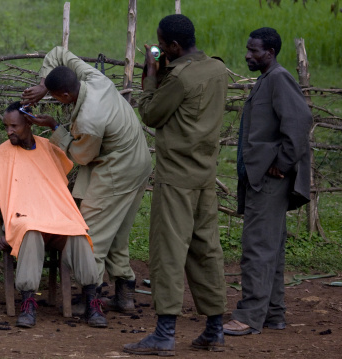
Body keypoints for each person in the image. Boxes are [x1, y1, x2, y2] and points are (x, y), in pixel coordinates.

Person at [123, 14, 228, 356]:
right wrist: (166, 66)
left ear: (174, 46)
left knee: (168, 252)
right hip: (204, 176)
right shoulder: (216, 69)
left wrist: (152, 76)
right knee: (206, 249)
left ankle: (165, 333)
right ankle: (214, 329)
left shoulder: (178, 78)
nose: (159, 49)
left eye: (162, 44)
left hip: (176, 179)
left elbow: (152, 114)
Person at [21, 47, 152, 314]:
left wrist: (55, 129)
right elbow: (58, 53)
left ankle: (91, 297)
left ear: (66, 95)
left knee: (89, 236)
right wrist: (43, 85)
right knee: (115, 232)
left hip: (119, 169)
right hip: (139, 161)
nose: (57, 102)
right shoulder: (93, 78)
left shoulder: (89, 120)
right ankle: (124, 293)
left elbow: (81, 156)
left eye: (57, 99)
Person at [0, 101, 107, 329]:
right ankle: (28, 302)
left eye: (14, 126)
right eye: (6, 126)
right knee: (30, 228)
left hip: (55, 220)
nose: (9, 131)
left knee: (77, 230)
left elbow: (58, 187)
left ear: (29, 123)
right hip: (23, 222)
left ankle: (91, 300)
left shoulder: (50, 149)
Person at [223, 27, 312, 336]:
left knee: (257, 248)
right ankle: (273, 313)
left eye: (255, 50)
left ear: (270, 53)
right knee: (270, 248)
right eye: (248, 49)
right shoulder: (265, 80)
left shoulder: (279, 79)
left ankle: (249, 315)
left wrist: (283, 163)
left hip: (269, 180)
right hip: (261, 177)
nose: (248, 54)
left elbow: (300, 122)